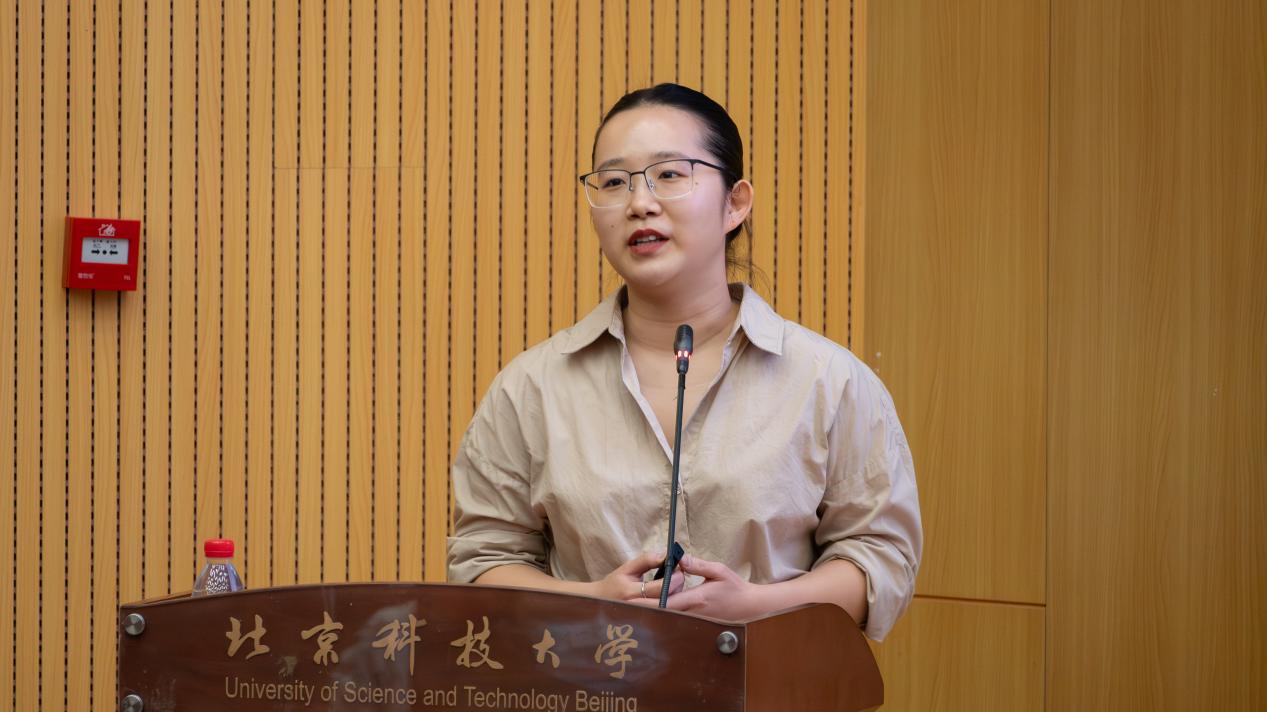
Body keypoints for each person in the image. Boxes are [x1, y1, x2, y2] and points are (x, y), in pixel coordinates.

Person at [447, 83, 921, 640]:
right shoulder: (531, 387)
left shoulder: (827, 380)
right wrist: (593, 602)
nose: (639, 203)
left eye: (670, 174)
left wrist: (757, 606)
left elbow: (880, 558)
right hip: (590, 681)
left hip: (771, 681)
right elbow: (482, 561)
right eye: (614, 182)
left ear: (734, 203)